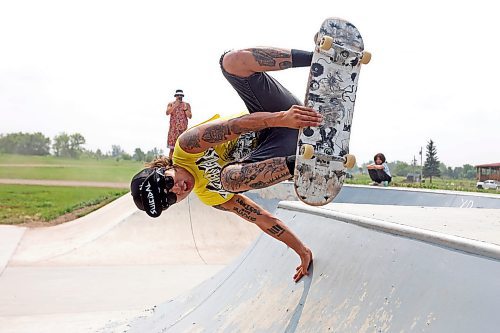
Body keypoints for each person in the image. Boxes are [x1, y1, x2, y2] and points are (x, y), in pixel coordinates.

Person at [131, 47, 320, 282]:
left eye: (168, 182)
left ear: (164, 168)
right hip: (285, 152)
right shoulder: (210, 196)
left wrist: (283, 118)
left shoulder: (187, 146)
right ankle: (310, 165)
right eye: (170, 198)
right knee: (229, 179)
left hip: (283, 115)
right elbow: (260, 218)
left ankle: (319, 59)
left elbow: (236, 126)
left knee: (230, 61)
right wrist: (303, 251)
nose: (178, 189)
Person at [166, 89, 192, 158]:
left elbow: (190, 116)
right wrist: (175, 105)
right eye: (178, 95)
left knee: (183, 148)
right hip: (173, 130)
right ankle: (170, 163)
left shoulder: (186, 105)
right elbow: (167, 113)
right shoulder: (171, 104)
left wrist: (185, 109)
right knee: (172, 149)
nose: (180, 97)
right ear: (175, 96)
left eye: (181, 95)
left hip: (183, 130)